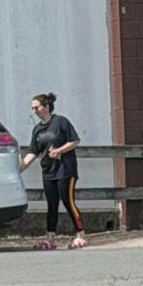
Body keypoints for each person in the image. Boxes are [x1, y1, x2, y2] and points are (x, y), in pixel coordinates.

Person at [22, 92, 86, 249]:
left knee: (67, 201)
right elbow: (33, 152)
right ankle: (50, 239)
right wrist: (20, 168)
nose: (34, 111)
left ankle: (80, 235)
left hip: (65, 170)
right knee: (52, 205)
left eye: (36, 108)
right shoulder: (37, 130)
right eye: (32, 108)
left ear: (46, 107)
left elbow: (75, 140)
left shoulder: (60, 122)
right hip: (48, 172)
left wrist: (59, 151)